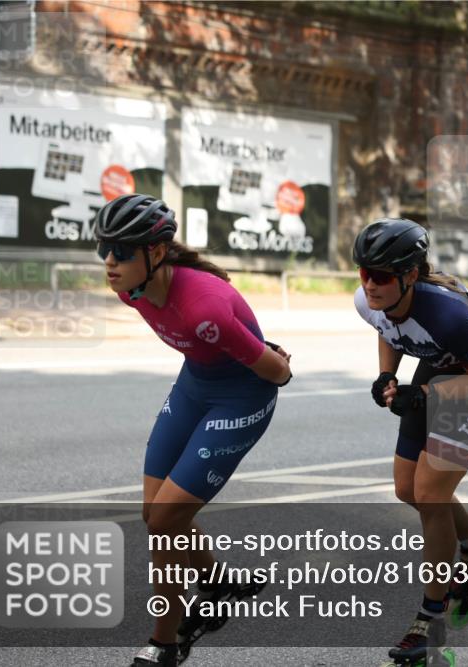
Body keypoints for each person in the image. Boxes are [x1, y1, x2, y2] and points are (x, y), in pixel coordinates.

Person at [94, 194, 292, 667]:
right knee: (154, 512)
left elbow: (279, 374)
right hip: (194, 386)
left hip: (243, 397)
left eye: (121, 251)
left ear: (156, 253)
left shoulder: (206, 309)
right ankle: (220, 585)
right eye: (104, 248)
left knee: (164, 521)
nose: (109, 262)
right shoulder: (131, 289)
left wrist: (273, 358)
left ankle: (166, 643)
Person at [352, 218, 468, 666]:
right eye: (363, 272)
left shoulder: (449, 314)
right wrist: (389, 375)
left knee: (430, 493)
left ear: (410, 275)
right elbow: (389, 329)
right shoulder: (369, 300)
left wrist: (423, 393)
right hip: (436, 367)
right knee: (408, 488)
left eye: (381, 276)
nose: (369, 284)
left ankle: (430, 617)